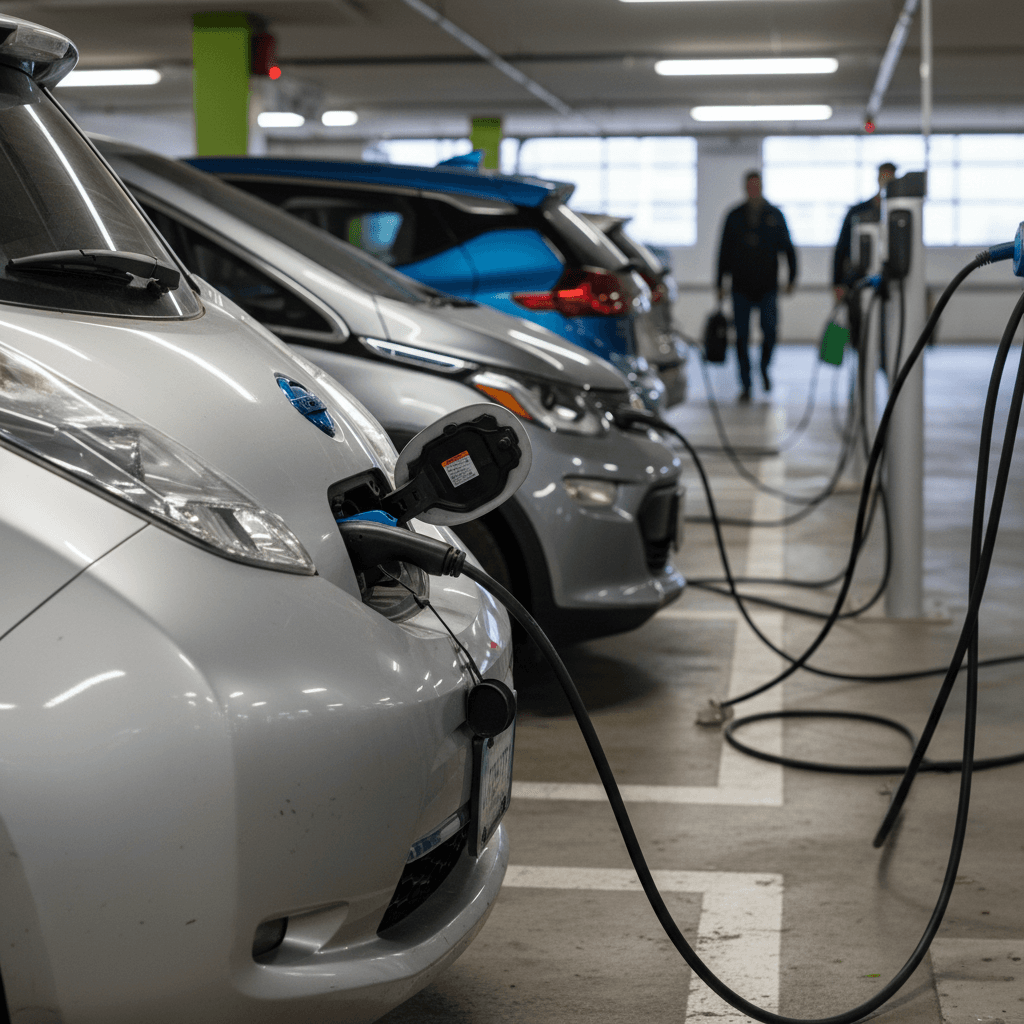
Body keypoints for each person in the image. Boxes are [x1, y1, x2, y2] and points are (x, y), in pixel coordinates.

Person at [716, 170, 797, 402]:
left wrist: (791, 278)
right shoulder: (734, 216)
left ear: (761, 187)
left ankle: (764, 368)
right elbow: (723, 251)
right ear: (745, 188)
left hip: (767, 287)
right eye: (750, 186)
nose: (754, 190)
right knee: (741, 337)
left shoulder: (774, 215)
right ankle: (746, 382)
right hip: (740, 287)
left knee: (769, 332)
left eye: (757, 186)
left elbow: (788, 248)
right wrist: (719, 282)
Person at [832, 162, 897, 346]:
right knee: (859, 335)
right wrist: (837, 283)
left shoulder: (898, 215)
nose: (887, 181)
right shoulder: (858, 212)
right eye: (884, 177)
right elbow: (841, 248)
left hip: (889, 285)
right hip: (859, 281)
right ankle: (861, 369)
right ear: (878, 178)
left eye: (891, 178)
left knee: (887, 337)